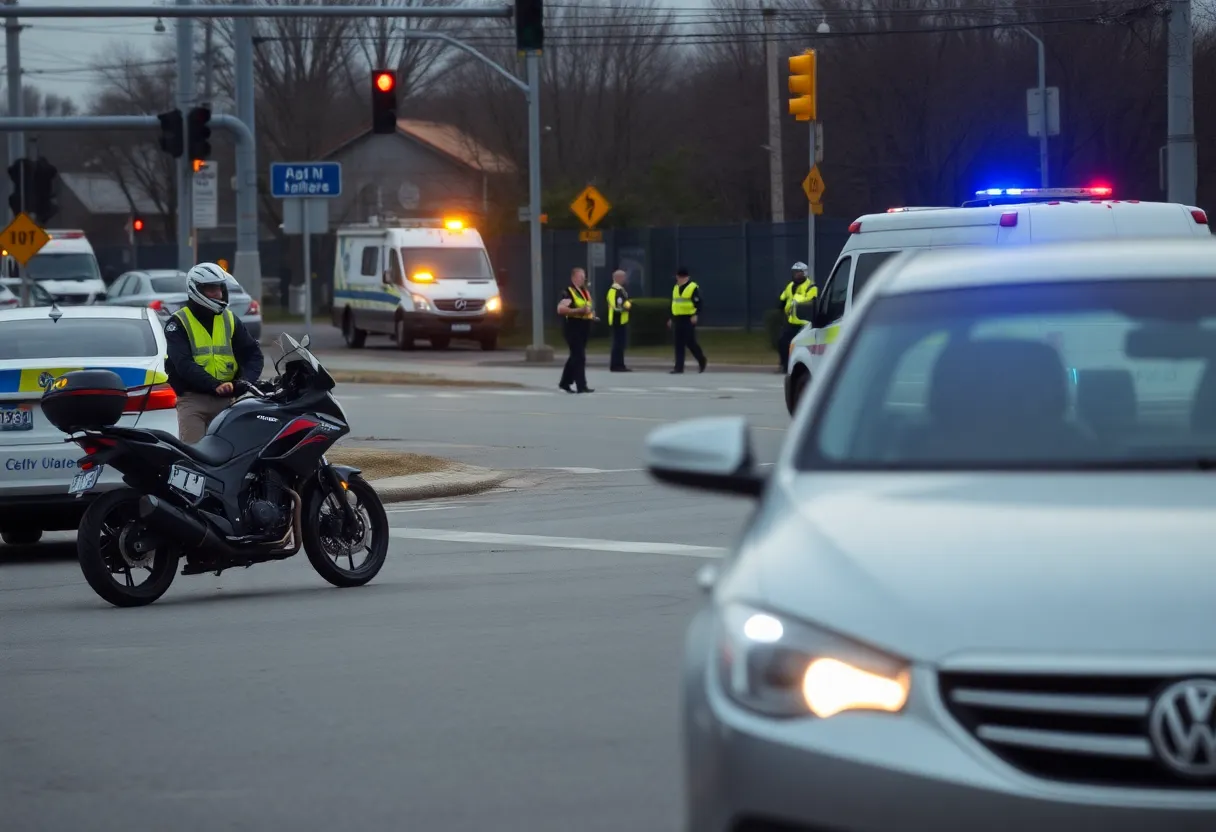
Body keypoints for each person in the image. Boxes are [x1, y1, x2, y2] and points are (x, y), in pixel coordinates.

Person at [165, 262, 265, 443]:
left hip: (227, 401)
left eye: (219, 287)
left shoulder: (230, 319)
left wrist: (243, 383)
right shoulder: (178, 323)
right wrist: (213, 384)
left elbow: (253, 354)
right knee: (194, 454)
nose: (218, 293)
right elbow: (183, 364)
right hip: (193, 401)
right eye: (211, 289)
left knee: (231, 453)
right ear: (196, 290)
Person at [557, 267, 596, 393]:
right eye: (580, 276)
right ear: (573, 278)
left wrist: (592, 314)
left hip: (584, 326)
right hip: (573, 327)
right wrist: (578, 311)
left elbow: (588, 307)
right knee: (579, 356)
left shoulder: (584, 291)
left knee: (575, 356)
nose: (583, 279)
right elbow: (561, 309)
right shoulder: (569, 291)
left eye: (584, 276)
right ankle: (581, 385)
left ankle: (564, 382)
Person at [776, 261, 817, 373]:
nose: (797, 275)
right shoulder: (790, 286)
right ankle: (784, 365)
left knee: (801, 347)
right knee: (782, 342)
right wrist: (781, 306)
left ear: (805, 273)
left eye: (800, 273)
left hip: (804, 323)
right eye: (795, 273)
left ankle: (799, 368)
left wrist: (797, 299)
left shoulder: (811, 286)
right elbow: (783, 298)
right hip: (792, 322)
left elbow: (811, 301)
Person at [668, 267, 707, 374]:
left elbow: (699, 303)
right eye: (677, 277)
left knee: (690, 342)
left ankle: (701, 359)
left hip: (688, 318)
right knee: (678, 343)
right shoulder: (676, 287)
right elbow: (673, 304)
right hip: (677, 318)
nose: (678, 279)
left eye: (680, 277)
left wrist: (696, 315)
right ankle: (678, 367)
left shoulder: (693, 287)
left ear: (686, 277)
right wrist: (671, 318)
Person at [606, 268, 632, 372]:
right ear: (618, 278)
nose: (625, 279)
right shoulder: (616, 290)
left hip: (620, 320)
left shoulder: (619, 289)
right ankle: (616, 365)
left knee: (620, 344)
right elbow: (619, 305)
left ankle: (620, 364)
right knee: (618, 344)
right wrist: (628, 306)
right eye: (623, 277)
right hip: (618, 320)